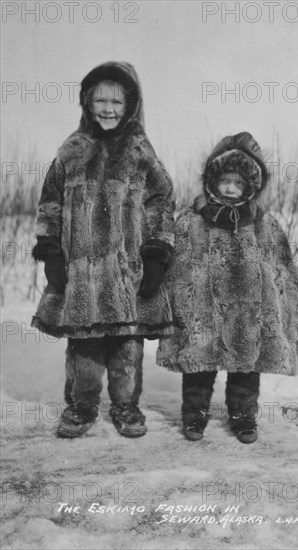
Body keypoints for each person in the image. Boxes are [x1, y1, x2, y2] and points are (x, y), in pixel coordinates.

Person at [32, 62, 175, 439]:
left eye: (117, 100)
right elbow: (50, 204)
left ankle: (126, 407)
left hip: (126, 271)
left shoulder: (140, 150)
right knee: (85, 344)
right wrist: (50, 253)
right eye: (100, 100)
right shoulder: (72, 150)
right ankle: (82, 405)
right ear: (86, 102)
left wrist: (157, 253)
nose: (108, 108)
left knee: (127, 343)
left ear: (130, 104)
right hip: (81, 272)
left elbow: (161, 201)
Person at [157, 132, 298, 444]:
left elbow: (282, 272)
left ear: (252, 185)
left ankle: (243, 416)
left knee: (246, 369)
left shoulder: (264, 223)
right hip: (203, 312)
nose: (231, 188)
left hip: (247, 317)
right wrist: (178, 302)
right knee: (198, 366)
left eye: (239, 183)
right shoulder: (191, 221)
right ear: (212, 179)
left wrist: (278, 314)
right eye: (225, 180)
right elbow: (176, 266)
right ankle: (194, 416)